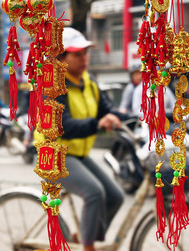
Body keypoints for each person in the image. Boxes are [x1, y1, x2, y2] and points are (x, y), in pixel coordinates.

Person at [40, 27, 127, 251]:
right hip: (52, 154)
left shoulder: (88, 82)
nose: (84, 58)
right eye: (77, 54)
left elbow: (108, 111)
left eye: (85, 53)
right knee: (94, 192)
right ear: (61, 58)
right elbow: (63, 126)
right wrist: (97, 124)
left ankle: (84, 237)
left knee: (115, 196)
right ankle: (88, 247)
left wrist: (143, 118)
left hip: (76, 153)